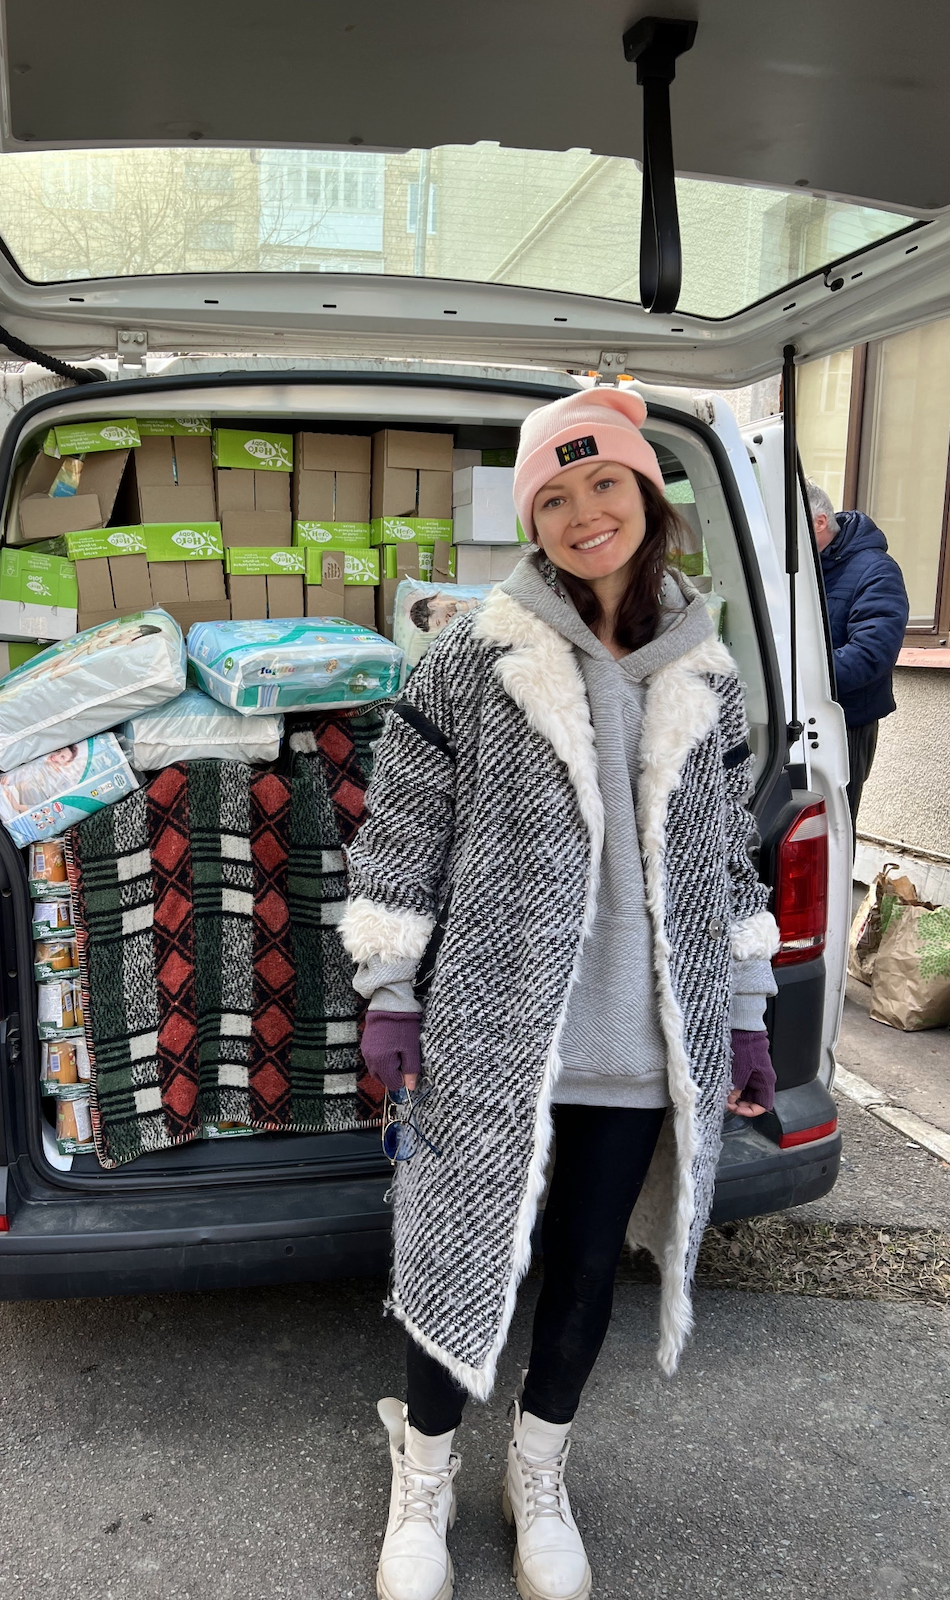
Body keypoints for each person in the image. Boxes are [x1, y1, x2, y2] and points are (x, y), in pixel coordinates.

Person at [341, 388, 780, 1600]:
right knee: (453, 1253)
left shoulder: (706, 671)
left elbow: (725, 862)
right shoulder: (473, 659)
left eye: (604, 485)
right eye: (554, 495)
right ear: (531, 518)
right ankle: (422, 1475)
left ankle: (535, 1471)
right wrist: (388, 989)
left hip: (640, 1036)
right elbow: (402, 832)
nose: (585, 512)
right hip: (493, 1024)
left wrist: (741, 1009)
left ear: (647, 495)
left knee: (586, 1268)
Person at [806, 480, 908, 830]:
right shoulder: (807, 567)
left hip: (845, 723)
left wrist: (799, 677)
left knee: (833, 829)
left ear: (820, 522)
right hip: (799, 718)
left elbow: (871, 653)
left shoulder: (876, 570)